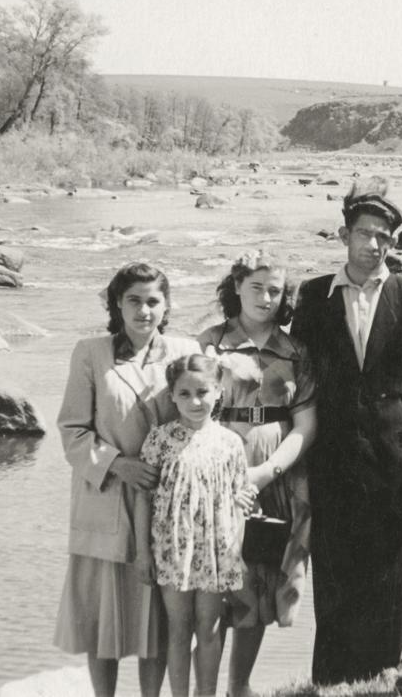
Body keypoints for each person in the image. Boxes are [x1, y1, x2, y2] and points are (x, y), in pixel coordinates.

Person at [291, 177, 402, 685]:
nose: (373, 244)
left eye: (383, 236)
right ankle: (330, 679)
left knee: (393, 574)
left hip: (397, 458)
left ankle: (381, 673)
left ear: (393, 243)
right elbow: (299, 382)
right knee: (333, 573)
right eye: (364, 232)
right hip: (330, 457)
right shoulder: (312, 297)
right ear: (344, 234)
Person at [54, 262, 199, 697]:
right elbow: (71, 430)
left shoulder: (185, 351)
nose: (143, 311)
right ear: (117, 303)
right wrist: (117, 463)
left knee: (158, 618)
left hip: (164, 501)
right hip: (106, 497)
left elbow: (204, 417)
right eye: (133, 300)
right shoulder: (90, 352)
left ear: (166, 305)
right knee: (103, 620)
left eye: (153, 301)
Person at [197, 250, 318, 697]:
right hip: (215, 470)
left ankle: (240, 687)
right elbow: (191, 413)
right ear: (236, 288)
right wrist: (230, 478)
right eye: (257, 288)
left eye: (275, 290)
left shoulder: (295, 351)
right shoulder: (210, 344)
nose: (266, 298)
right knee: (214, 585)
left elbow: (306, 425)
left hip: (277, 475)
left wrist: (265, 472)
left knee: (259, 584)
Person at [133, 353, 257, 697]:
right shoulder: (159, 439)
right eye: (184, 394)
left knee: (210, 627)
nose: (195, 401)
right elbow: (144, 499)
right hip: (172, 548)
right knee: (178, 628)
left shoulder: (231, 443)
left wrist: (236, 552)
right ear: (171, 396)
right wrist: (143, 552)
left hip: (217, 551)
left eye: (203, 391)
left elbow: (239, 500)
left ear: (218, 391)